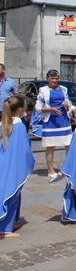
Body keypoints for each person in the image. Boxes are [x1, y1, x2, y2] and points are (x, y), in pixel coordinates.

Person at [0, 96, 34, 239]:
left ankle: (11, 222)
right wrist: (30, 161)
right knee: (12, 191)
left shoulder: (4, 123)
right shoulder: (19, 125)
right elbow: (25, 150)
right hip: (13, 165)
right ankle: (4, 229)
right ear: (20, 109)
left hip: (4, 162)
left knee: (9, 191)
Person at [36, 69, 73, 183]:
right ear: (48, 79)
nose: (54, 81)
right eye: (52, 78)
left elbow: (68, 103)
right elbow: (37, 108)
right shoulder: (43, 91)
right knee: (51, 146)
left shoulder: (63, 89)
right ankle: (51, 170)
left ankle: (69, 168)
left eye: (56, 78)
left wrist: (67, 105)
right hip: (50, 121)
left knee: (69, 145)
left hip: (63, 120)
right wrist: (51, 109)